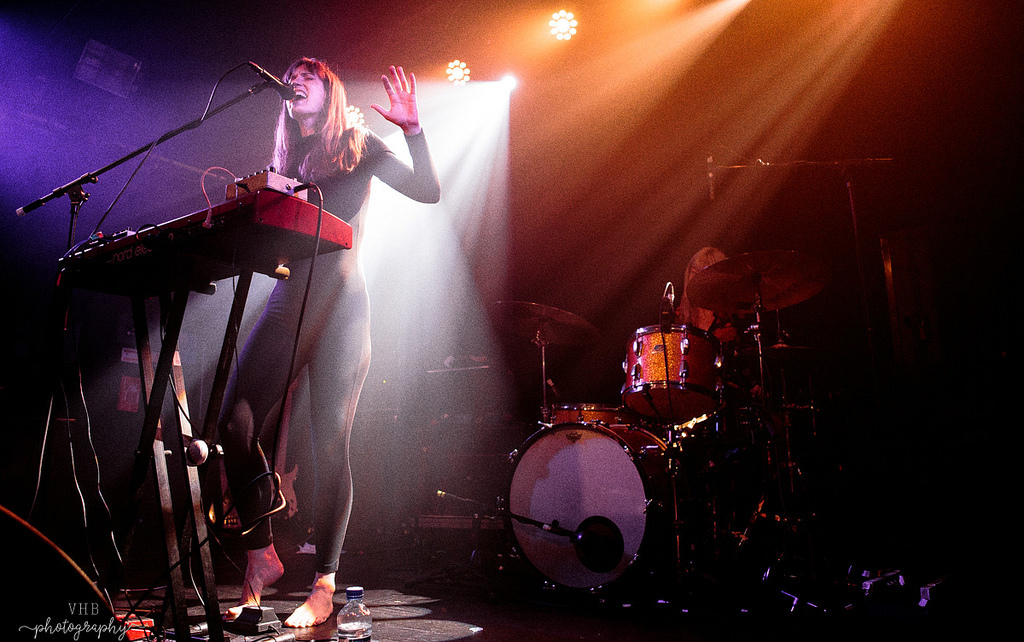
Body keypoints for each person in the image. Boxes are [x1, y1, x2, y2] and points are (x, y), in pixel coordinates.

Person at [218, 58, 440, 628]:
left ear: (330, 89)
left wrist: (414, 131)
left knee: (329, 445)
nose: (294, 81)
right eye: (290, 76)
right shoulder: (285, 159)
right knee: (233, 425)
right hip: (289, 300)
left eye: (307, 75)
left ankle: (324, 583)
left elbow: (428, 190)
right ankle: (261, 555)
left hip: (342, 305)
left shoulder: (358, 144)